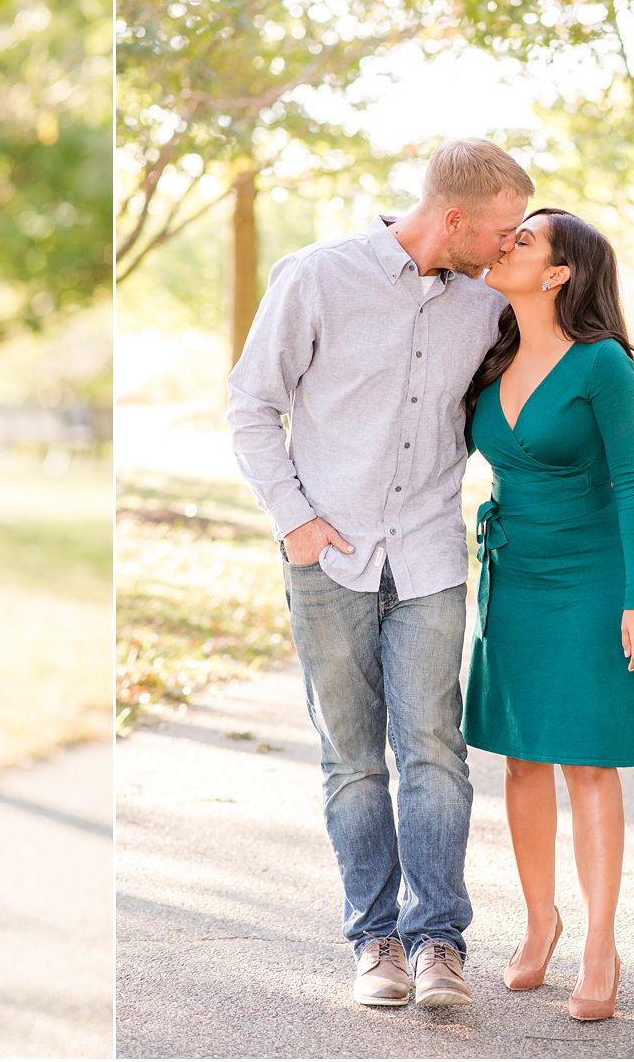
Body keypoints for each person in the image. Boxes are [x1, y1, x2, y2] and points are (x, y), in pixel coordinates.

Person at [227, 138, 535, 1008]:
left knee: (435, 752)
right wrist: (295, 522)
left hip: (431, 554)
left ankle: (438, 940)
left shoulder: (485, 305)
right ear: (453, 220)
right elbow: (251, 405)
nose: (510, 244)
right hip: (331, 559)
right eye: (503, 231)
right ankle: (375, 943)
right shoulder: (317, 277)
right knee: (353, 760)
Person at [462, 207, 634, 1022]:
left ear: (558, 274)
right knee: (518, 760)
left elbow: (631, 484)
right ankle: (540, 921)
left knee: (587, 761)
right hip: (511, 577)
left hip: (588, 581)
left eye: (526, 239)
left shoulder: (601, 364)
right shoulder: (491, 349)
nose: (505, 243)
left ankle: (601, 942)